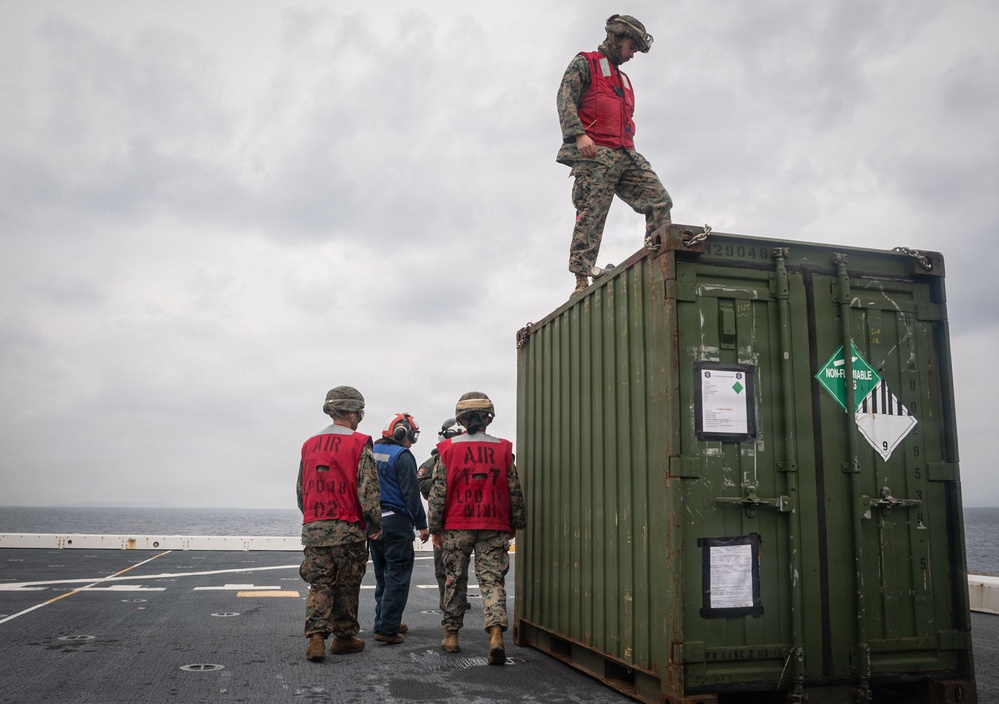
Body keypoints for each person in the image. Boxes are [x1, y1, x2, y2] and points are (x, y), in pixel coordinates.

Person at [557, 13, 673, 297]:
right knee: (591, 215)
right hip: (595, 154)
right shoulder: (586, 64)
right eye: (631, 47)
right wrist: (579, 135)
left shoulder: (623, 80)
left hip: (624, 153)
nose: (632, 54)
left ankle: (658, 261)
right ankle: (581, 280)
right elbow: (565, 98)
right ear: (617, 38)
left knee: (659, 199)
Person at [427, 392, 526, 666]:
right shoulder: (504, 449)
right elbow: (514, 490)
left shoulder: (447, 450)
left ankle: (451, 635)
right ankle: (495, 635)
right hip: (494, 524)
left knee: (454, 579)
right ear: (488, 419)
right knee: (492, 581)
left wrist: (435, 527)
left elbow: (438, 494)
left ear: (461, 419)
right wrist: (516, 523)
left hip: (457, 525)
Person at [297, 385, 382, 663]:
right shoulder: (359, 443)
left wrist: (314, 519)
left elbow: (301, 490)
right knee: (346, 584)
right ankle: (344, 638)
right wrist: (375, 522)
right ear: (351, 411)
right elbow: (368, 490)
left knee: (319, 583)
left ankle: (316, 639)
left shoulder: (309, 444)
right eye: (359, 412)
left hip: (315, 526)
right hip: (348, 527)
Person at [368, 413, 430, 644]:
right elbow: (411, 493)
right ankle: (386, 628)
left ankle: (386, 619)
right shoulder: (403, 456)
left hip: (373, 522)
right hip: (396, 522)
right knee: (398, 575)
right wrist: (422, 525)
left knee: (382, 575)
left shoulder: (371, 451)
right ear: (402, 433)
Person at [417, 418, 465, 611]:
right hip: (443, 518)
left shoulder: (466, 457)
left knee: (461, 564)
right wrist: (443, 486)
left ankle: (458, 598)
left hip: (462, 517)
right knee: (442, 565)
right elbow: (421, 484)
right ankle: (445, 598)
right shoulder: (433, 460)